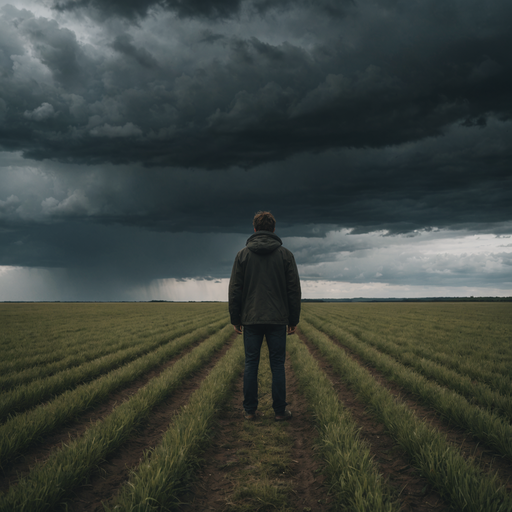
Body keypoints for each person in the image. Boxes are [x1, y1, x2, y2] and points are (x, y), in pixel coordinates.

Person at [228, 211, 301, 421]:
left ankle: (249, 411)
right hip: (277, 318)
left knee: (251, 362)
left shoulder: (242, 255)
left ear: (254, 229)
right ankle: (279, 412)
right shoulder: (286, 255)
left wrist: (236, 318)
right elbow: (293, 290)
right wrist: (293, 320)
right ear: (273, 229)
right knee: (277, 364)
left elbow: (235, 289)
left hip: (251, 318)